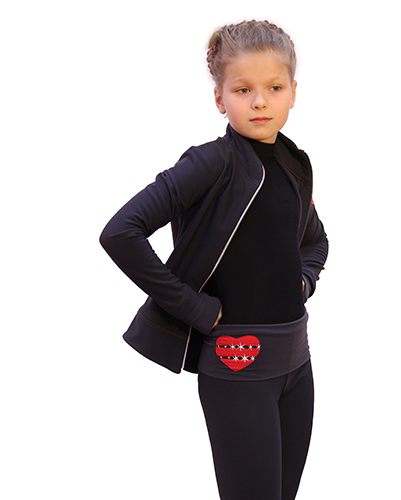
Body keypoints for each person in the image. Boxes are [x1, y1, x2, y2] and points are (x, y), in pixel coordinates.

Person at [100, 20, 328, 500]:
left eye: (274, 88)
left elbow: (315, 241)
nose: (260, 101)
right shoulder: (211, 163)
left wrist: (303, 282)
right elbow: (120, 232)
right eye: (243, 89)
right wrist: (195, 308)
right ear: (221, 99)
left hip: (297, 365)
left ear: (293, 93)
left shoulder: (293, 163)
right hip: (237, 369)